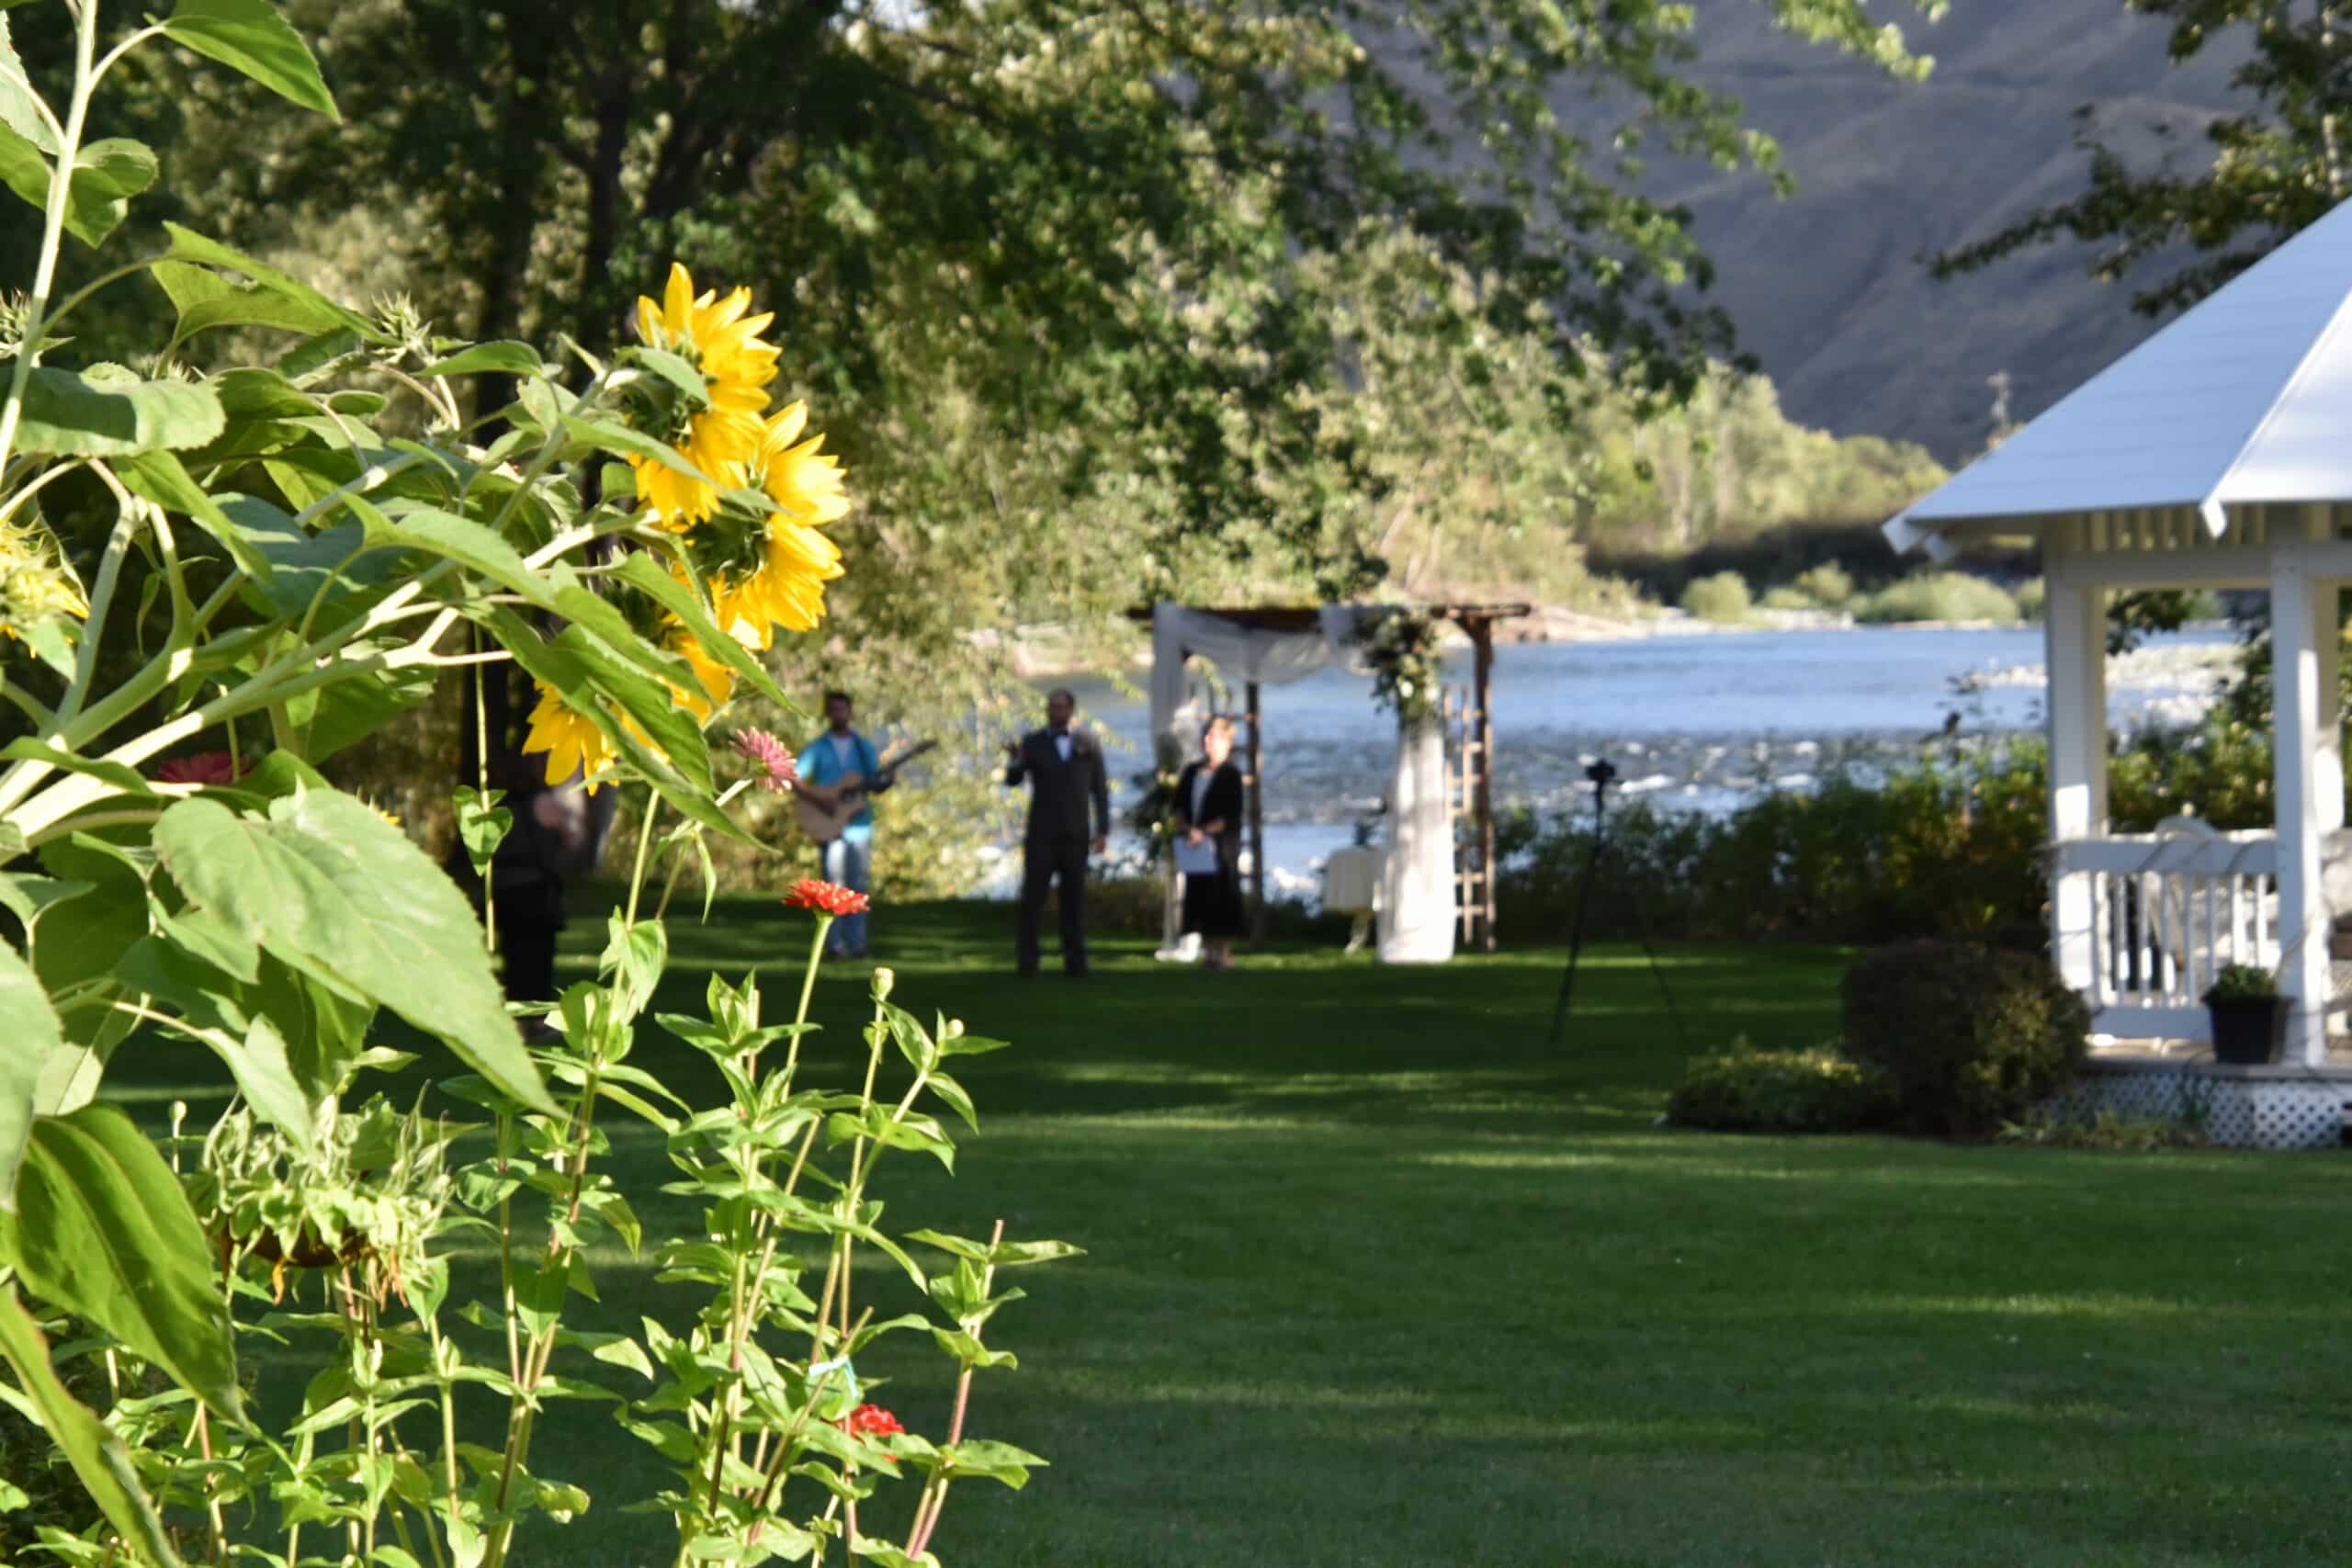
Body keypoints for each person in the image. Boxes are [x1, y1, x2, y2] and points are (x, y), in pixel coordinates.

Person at [1003, 687, 1110, 976]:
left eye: (1060, 707)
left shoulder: (1088, 742)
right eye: (1051, 707)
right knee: (1033, 899)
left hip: (1076, 834)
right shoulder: (1033, 742)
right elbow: (1013, 779)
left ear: (1071, 711)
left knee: (1073, 900)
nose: (1055, 712)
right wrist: (1015, 759)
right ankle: (1028, 961)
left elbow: (1099, 790)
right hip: (1041, 833)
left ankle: (1076, 961)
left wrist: (1103, 831)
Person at [795, 691, 891, 958]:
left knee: (858, 886)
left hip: (859, 826)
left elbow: (875, 783)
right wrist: (820, 801)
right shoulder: (818, 748)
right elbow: (795, 777)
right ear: (828, 713)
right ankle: (833, 946)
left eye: (843, 709)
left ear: (850, 712)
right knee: (832, 886)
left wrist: (887, 780)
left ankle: (858, 945)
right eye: (833, 709)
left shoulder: (863, 747)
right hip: (830, 825)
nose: (838, 714)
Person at [1171, 715, 1247, 969]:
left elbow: (1231, 814)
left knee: (1222, 896)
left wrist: (1203, 832)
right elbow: (1179, 805)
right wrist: (1187, 829)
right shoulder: (1192, 771)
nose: (1207, 741)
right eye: (1205, 736)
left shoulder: (1231, 774)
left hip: (1221, 847)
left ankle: (1222, 951)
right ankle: (1208, 951)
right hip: (1195, 845)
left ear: (1226, 742)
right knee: (1199, 896)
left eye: (1213, 737)